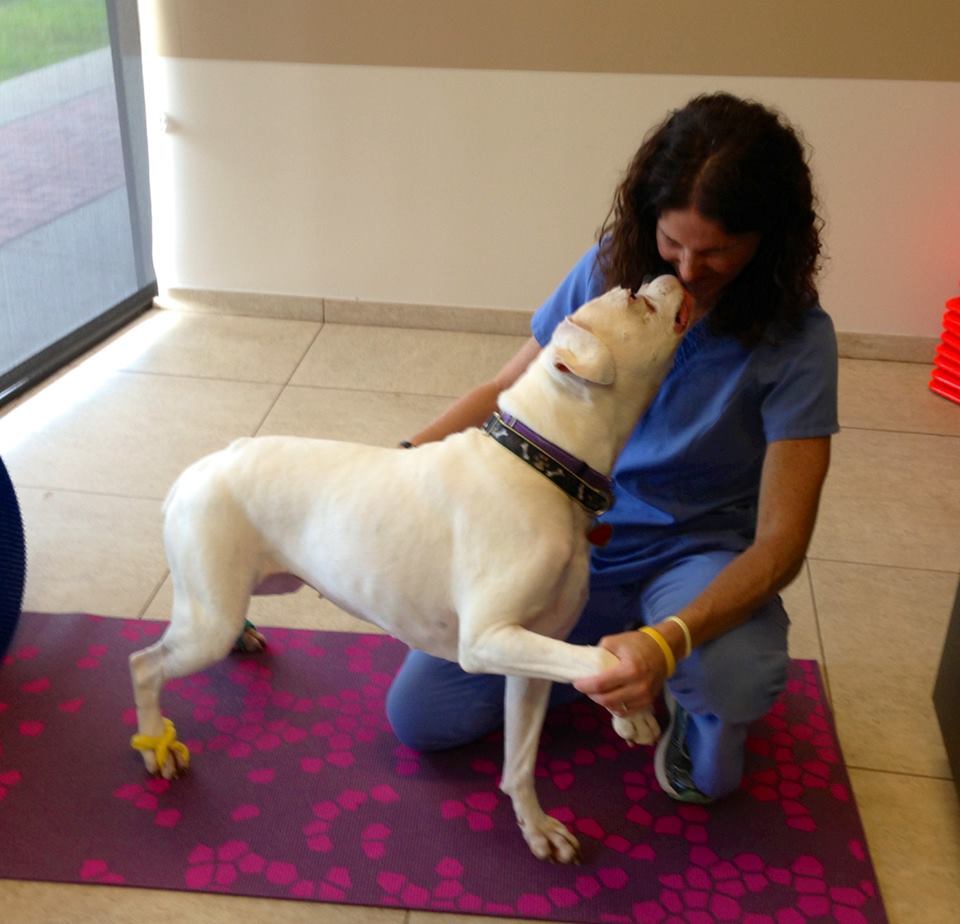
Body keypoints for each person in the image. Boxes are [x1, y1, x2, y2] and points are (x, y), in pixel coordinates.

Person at [384, 92, 838, 804]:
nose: (687, 270)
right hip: (575, 540)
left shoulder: (799, 341)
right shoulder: (607, 273)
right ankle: (606, 663)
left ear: (767, 238)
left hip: (697, 554)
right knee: (421, 717)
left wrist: (670, 642)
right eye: (673, 242)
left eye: (715, 251)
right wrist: (398, 462)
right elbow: (505, 390)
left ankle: (683, 685)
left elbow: (781, 543)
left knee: (732, 691)